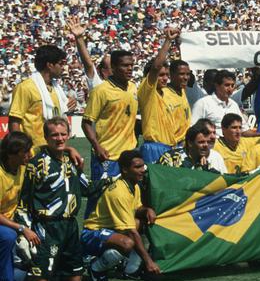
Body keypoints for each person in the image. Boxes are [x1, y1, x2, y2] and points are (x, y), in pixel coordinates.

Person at [18, 118, 94, 281]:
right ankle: (11, 271)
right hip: (47, 226)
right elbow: (23, 202)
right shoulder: (36, 164)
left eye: (63, 134)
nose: (59, 139)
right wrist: (25, 229)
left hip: (70, 227)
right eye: (54, 135)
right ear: (45, 137)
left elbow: (87, 188)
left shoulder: (72, 160)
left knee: (75, 280)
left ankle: (51, 268)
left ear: (68, 135)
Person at [82, 150, 161, 281]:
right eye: (137, 167)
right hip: (92, 234)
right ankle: (95, 267)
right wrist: (149, 262)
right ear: (125, 169)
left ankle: (130, 269)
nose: (142, 170)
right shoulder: (119, 192)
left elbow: (137, 208)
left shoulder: (133, 185)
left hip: (110, 229)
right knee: (127, 243)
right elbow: (131, 232)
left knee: (142, 223)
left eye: (143, 166)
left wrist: (147, 210)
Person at [82, 49, 139, 216]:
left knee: (127, 199)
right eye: (125, 65)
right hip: (107, 155)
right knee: (100, 199)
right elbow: (86, 123)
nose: (130, 69)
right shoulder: (101, 91)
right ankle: (90, 235)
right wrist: (97, 146)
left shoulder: (133, 87)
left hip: (128, 155)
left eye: (131, 65)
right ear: (113, 67)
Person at [9, 45, 72, 148]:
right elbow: (14, 122)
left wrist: (67, 107)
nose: (63, 68)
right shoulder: (26, 87)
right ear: (50, 65)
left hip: (53, 150)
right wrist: (21, 150)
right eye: (60, 64)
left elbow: (57, 116)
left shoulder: (57, 89)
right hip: (32, 151)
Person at [137, 27, 184, 163]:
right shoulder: (147, 91)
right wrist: (168, 41)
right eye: (161, 75)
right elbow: (156, 67)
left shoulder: (167, 93)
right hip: (154, 147)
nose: (165, 78)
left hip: (171, 147)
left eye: (167, 75)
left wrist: (179, 44)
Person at [0, 132, 36, 281]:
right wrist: (21, 228)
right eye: (25, 152)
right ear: (11, 154)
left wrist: (70, 149)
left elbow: (45, 148)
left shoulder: (21, 165)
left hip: (10, 221)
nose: (30, 155)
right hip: (5, 226)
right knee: (8, 236)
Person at [191, 70, 242, 135]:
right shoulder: (203, 104)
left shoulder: (234, 105)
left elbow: (244, 129)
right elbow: (193, 130)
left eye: (232, 85)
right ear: (217, 86)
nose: (230, 89)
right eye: (227, 85)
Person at [66, 16, 110, 91]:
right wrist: (79, 37)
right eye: (112, 66)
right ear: (104, 71)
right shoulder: (98, 85)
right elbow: (88, 64)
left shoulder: (128, 87)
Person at [158, 125, 223, 173]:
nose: (206, 145)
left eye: (208, 142)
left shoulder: (204, 163)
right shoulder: (171, 158)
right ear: (190, 143)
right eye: (201, 142)